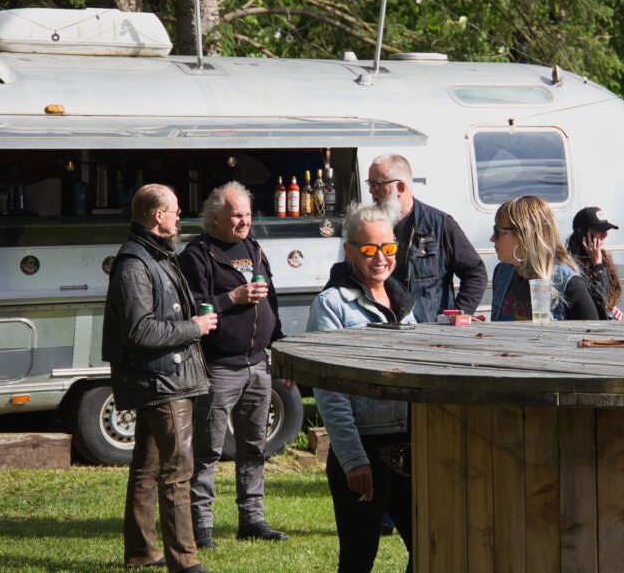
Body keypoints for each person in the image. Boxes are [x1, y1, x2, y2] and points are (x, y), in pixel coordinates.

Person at [101, 184, 217, 573]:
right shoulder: (135, 264)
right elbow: (140, 331)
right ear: (157, 216)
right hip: (161, 381)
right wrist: (195, 327)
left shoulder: (154, 254)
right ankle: (184, 561)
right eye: (176, 211)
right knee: (177, 471)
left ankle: (141, 552)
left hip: (161, 379)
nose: (179, 217)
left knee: (148, 468)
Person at [179, 182, 288, 550]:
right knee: (207, 450)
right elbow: (193, 306)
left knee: (254, 447)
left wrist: (279, 347)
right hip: (219, 366)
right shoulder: (198, 253)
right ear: (215, 217)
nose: (243, 221)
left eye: (247, 214)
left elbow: (271, 299)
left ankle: (252, 520)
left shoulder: (254, 248)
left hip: (258, 364)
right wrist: (233, 297)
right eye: (236, 215)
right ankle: (201, 526)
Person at [308, 203, 414, 573]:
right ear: (349, 250)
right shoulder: (331, 305)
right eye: (369, 250)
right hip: (363, 445)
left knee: (432, 546)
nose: (380, 258)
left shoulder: (403, 300)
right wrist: (353, 458)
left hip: (409, 441)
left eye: (388, 248)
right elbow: (330, 390)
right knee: (358, 559)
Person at [327, 153, 486, 323]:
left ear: (401, 187)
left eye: (377, 184)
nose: (371, 191)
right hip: (384, 329)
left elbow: (475, 272)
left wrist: (457, 315)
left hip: (432, 335)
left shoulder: (440, 224)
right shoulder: (369, 226)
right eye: (370, 184)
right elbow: (349, 270)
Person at [489, 195, 599, 321]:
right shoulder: (502, 273)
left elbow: (591, 336)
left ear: (523, 235)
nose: (492, 238)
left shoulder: (570, 284)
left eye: (497, 231)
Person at [566, 206, 624, 320]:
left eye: (606, 230)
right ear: (582, 234)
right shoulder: (573, 266)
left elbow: (604, 302)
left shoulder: (603, 260)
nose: (605, 235)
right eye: (600, 230)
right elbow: (599, 303)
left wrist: (612, 310)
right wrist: (598, 266)